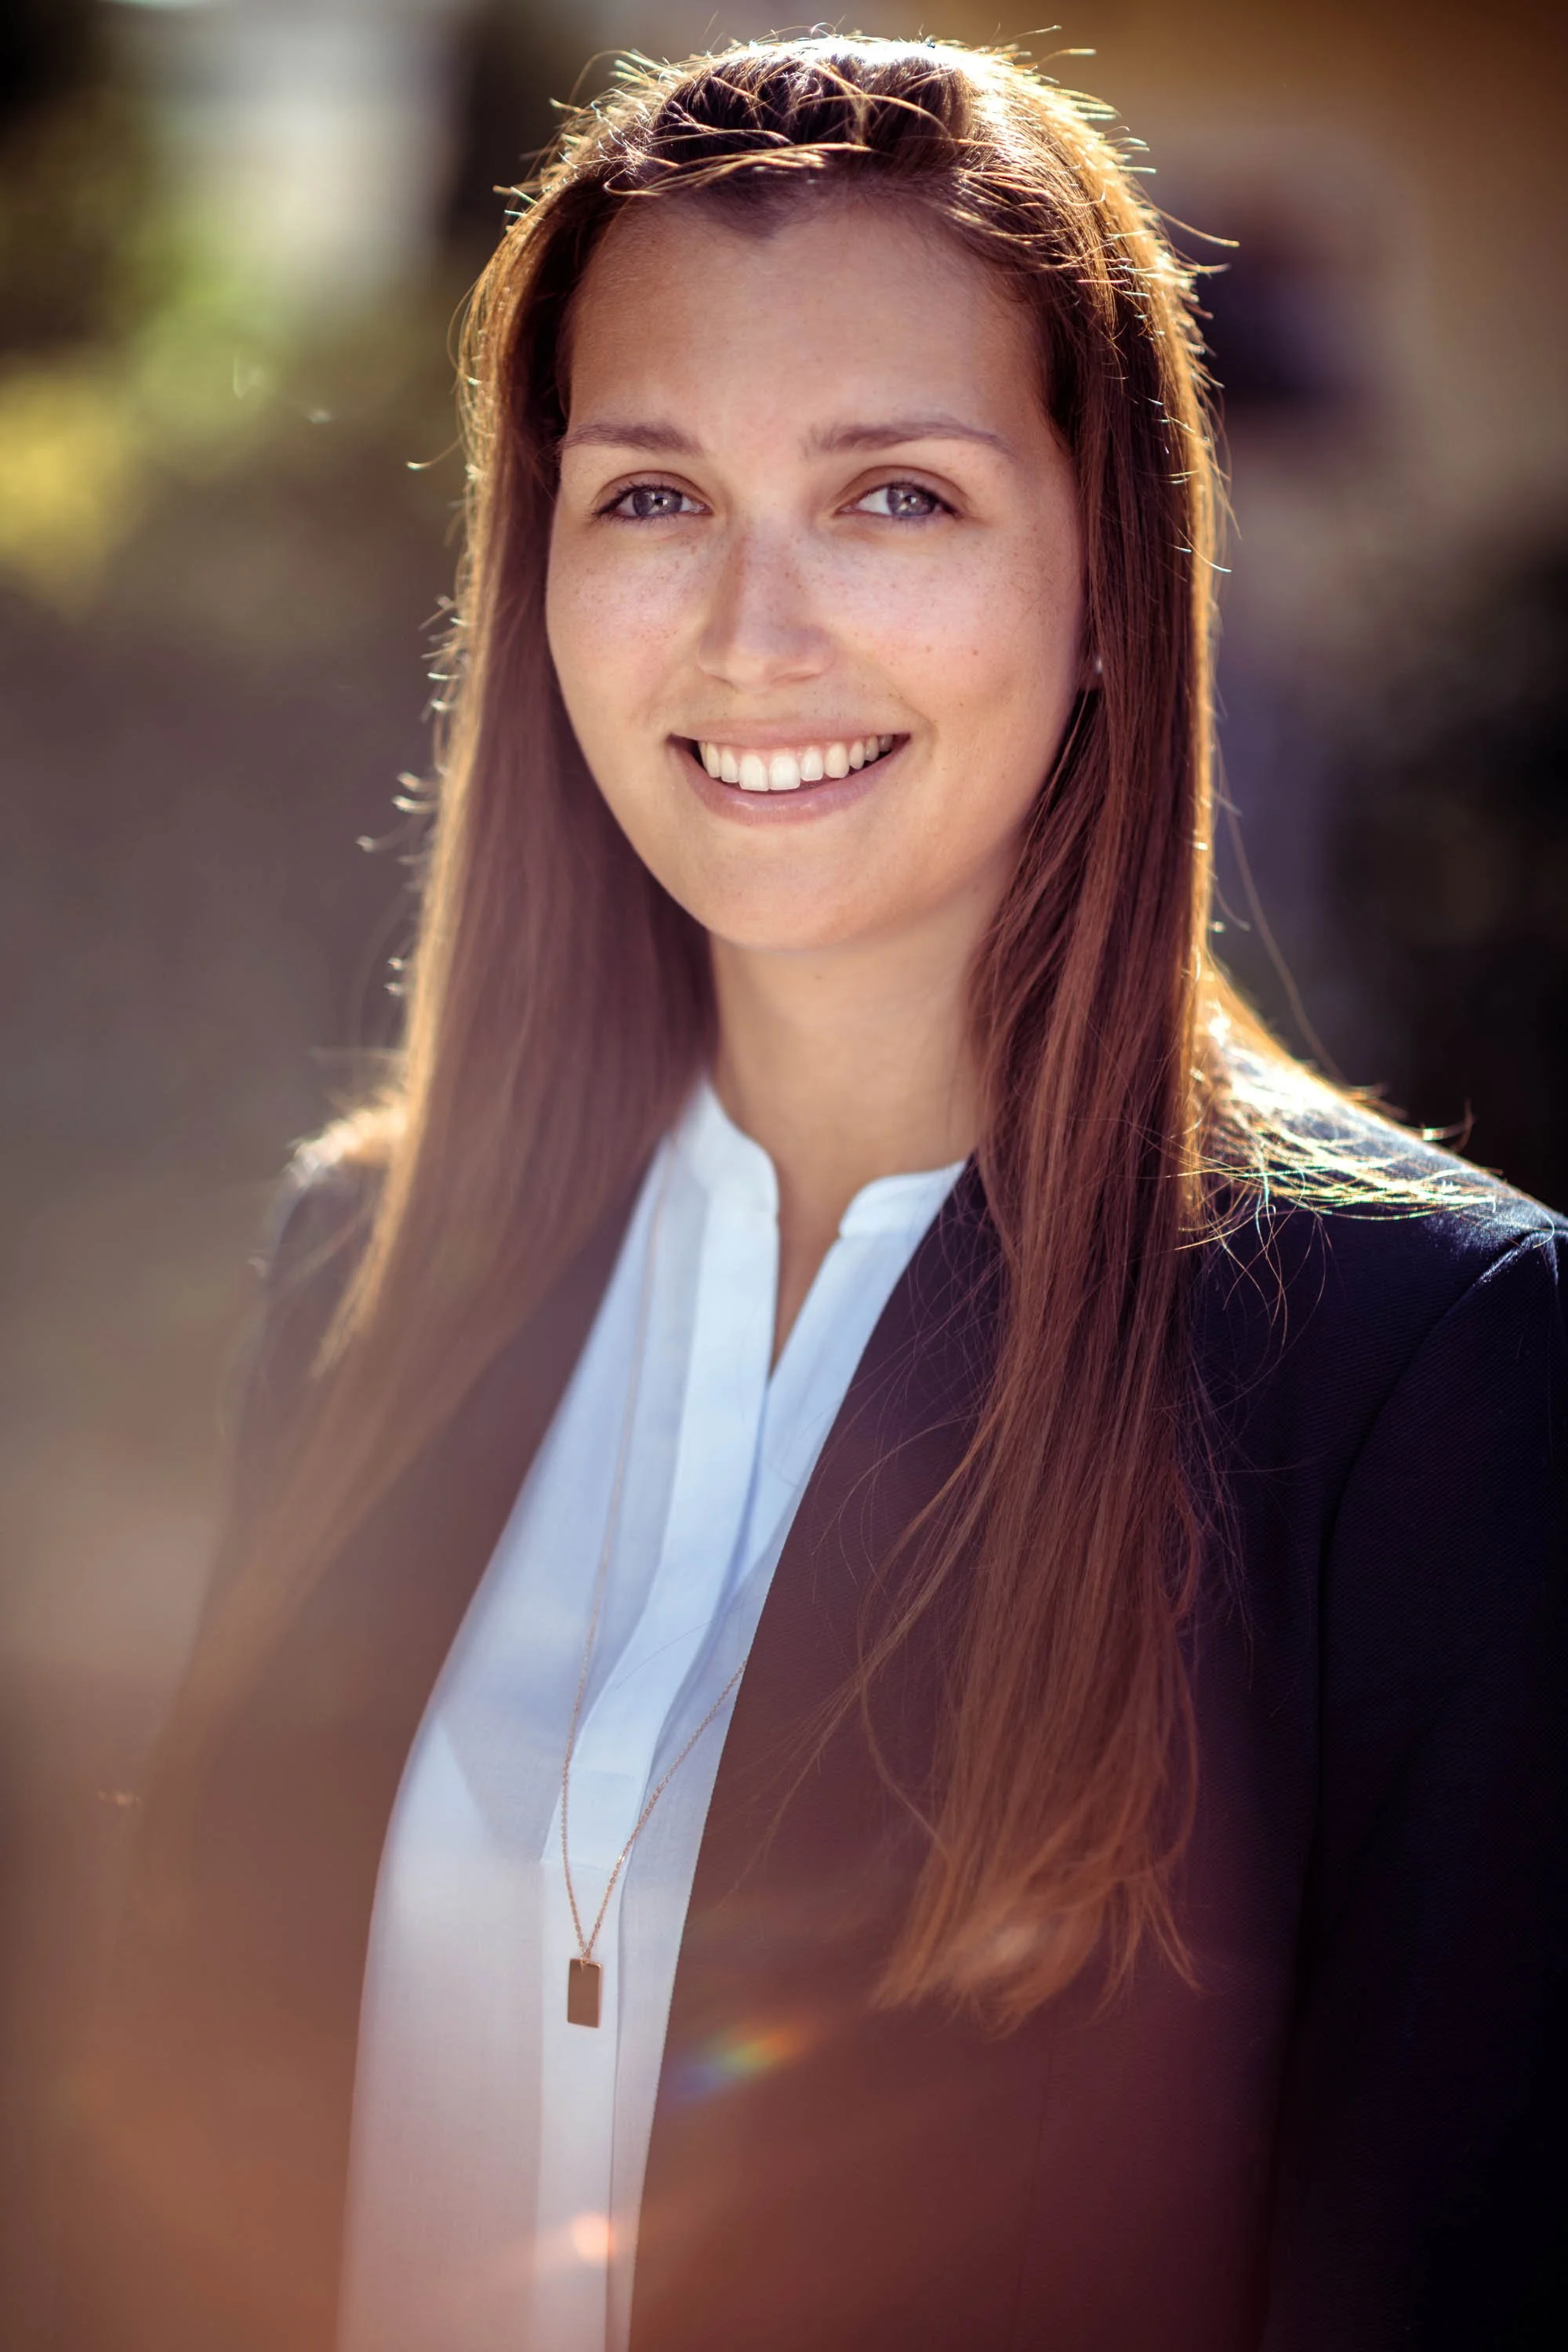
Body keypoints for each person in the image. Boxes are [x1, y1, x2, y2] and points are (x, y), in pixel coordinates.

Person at [58, 35, 1567, 2352]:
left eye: (896, 498)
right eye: (651, 497)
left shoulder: (1419, 1374)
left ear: (1106, 571)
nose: (755, 636)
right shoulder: (363, 1270)